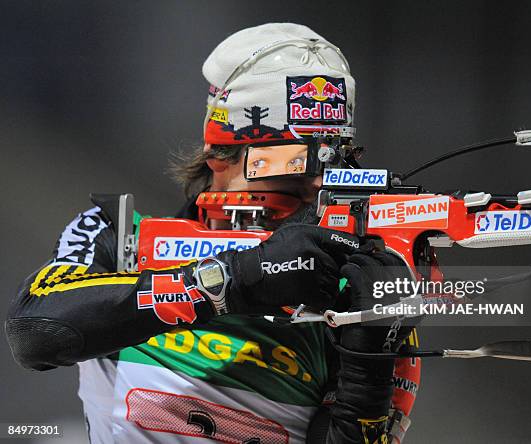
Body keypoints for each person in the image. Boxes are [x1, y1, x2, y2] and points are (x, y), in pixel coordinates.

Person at [6, 23, 418, 443]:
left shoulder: (351, 285)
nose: (315, 183)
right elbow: (36, 331)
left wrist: (370, 360)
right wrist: (234, 280)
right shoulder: (122, 235)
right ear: (219, 154)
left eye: (332, 163)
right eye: (294, 161)